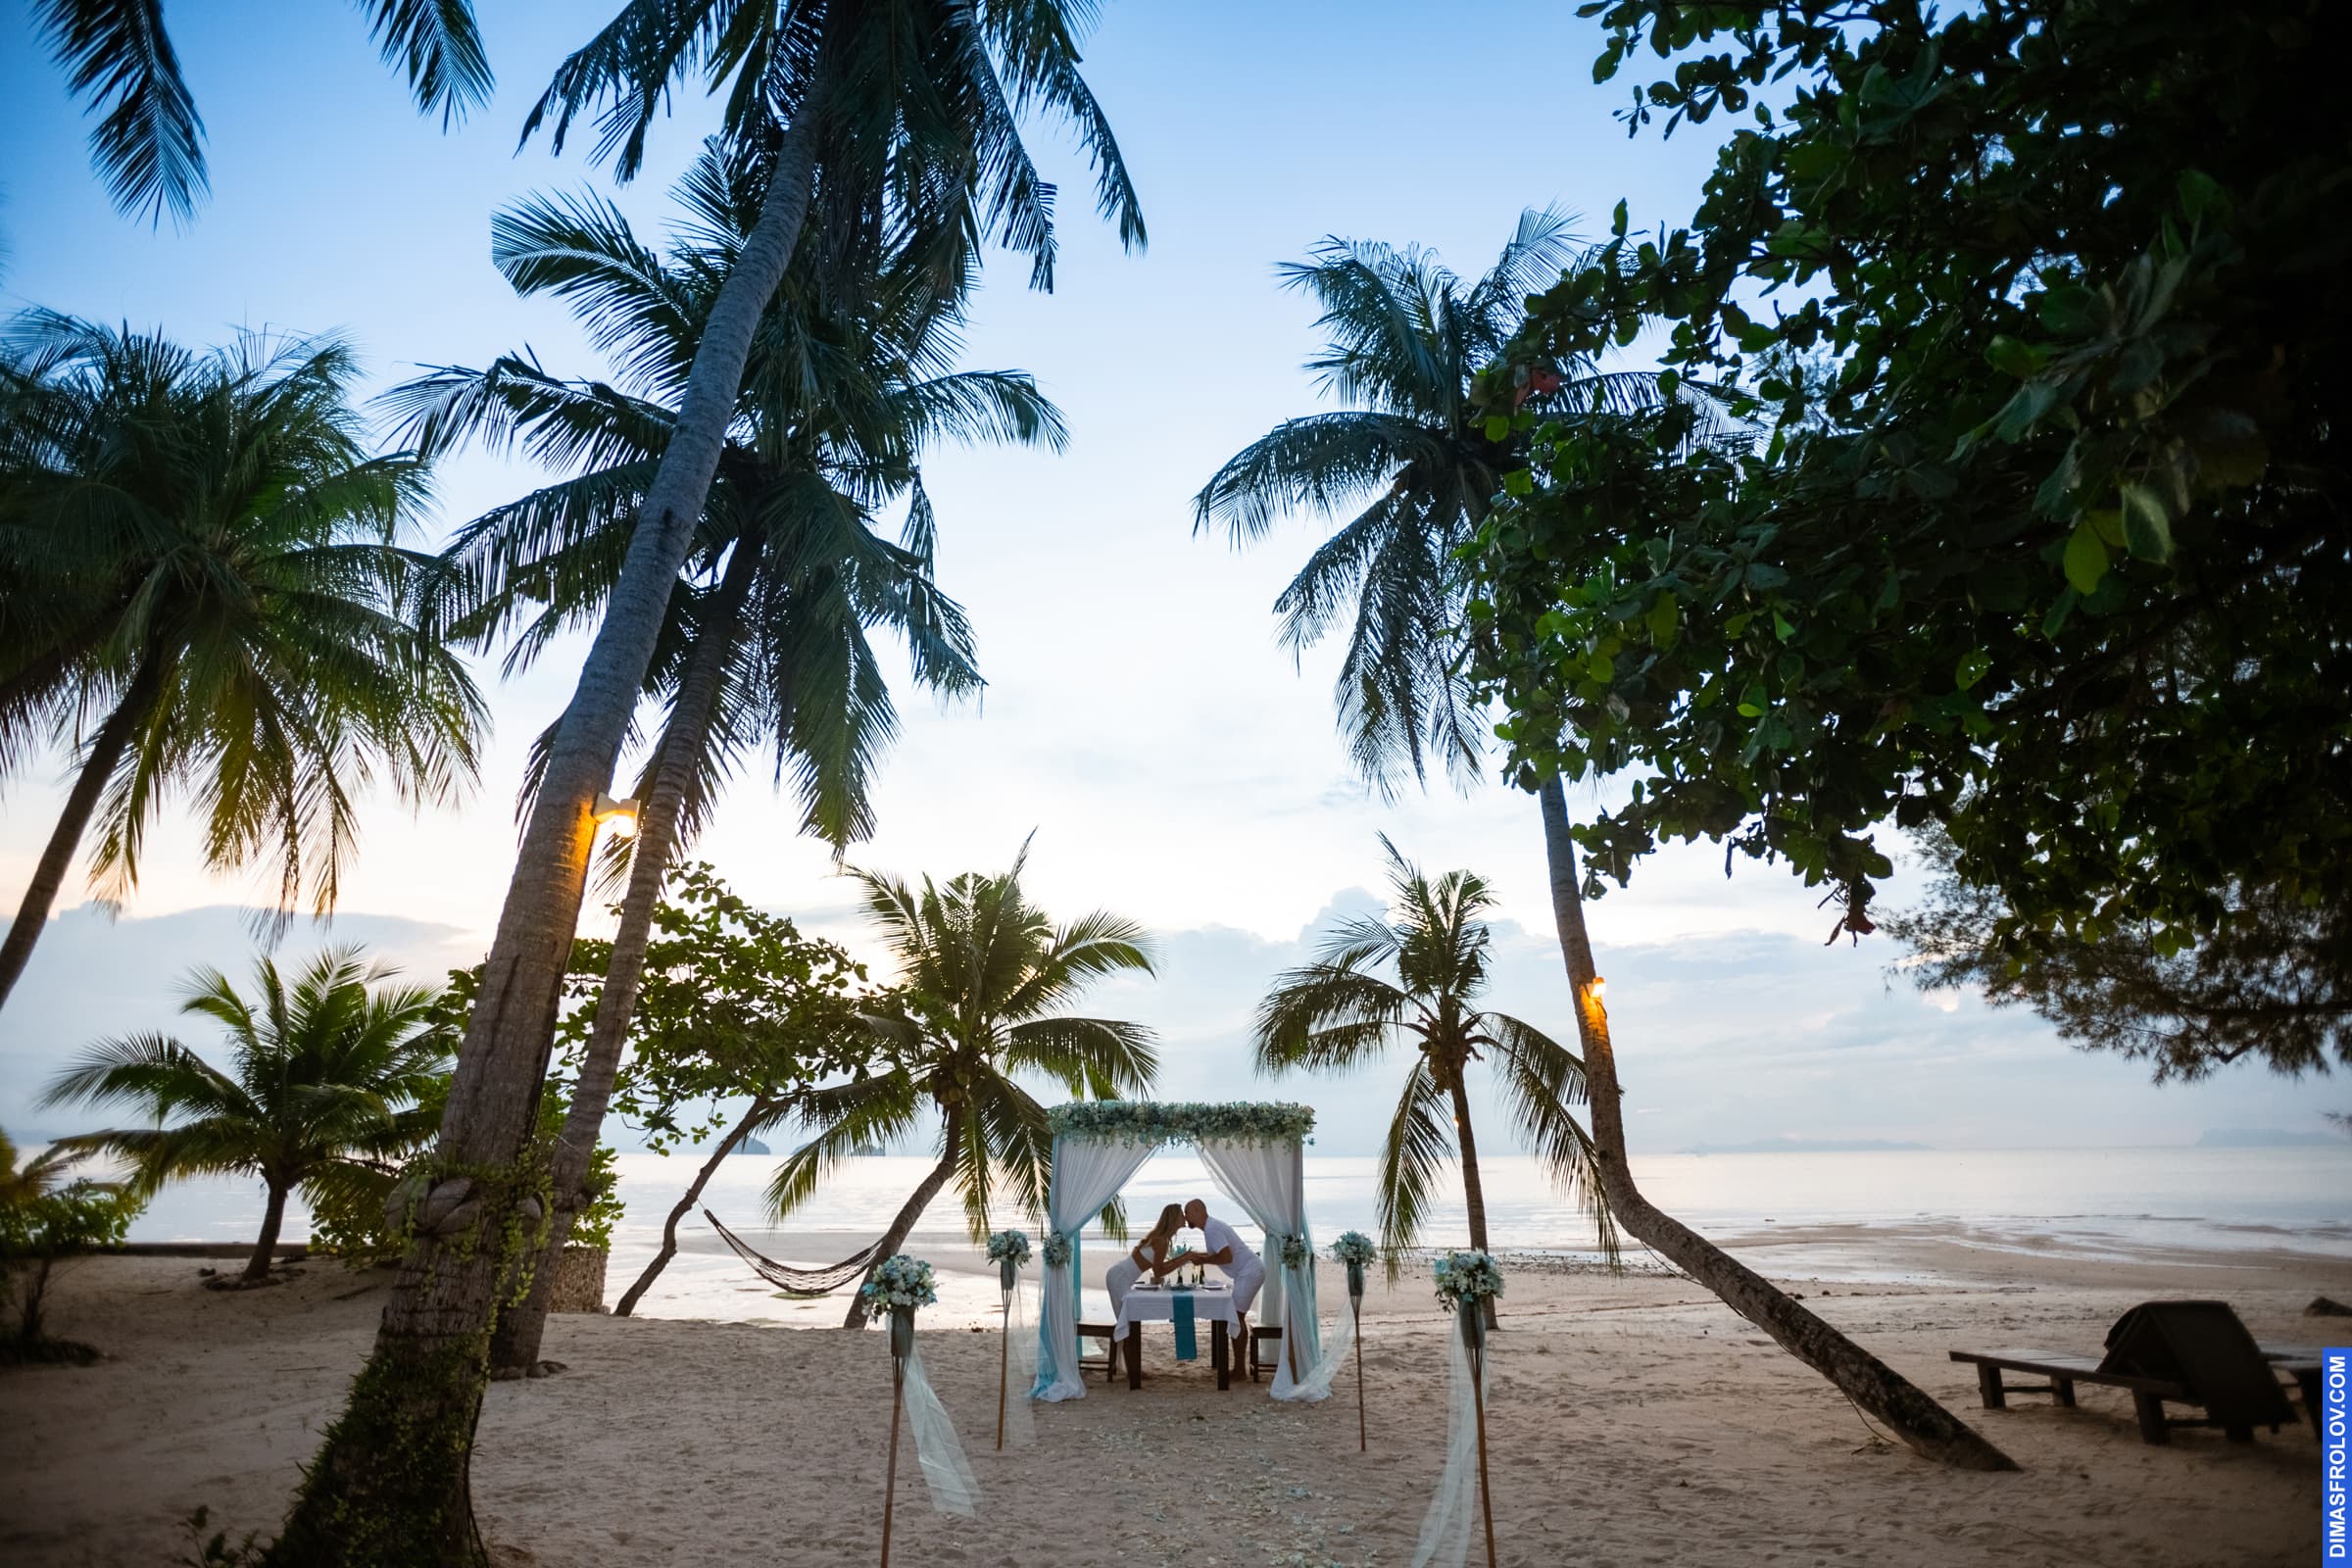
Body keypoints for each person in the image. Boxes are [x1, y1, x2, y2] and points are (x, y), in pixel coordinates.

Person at [1183, 1198, 1264, 1346]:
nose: (1185, 1217)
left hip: (1249, 1272)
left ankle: (1239, 1362)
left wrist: (1202, 1260)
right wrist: (1196, 1255)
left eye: (1186, 1212)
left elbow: (1226, 1257)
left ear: (1197, 1211)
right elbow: (1217, 1253)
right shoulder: (1211, 1226)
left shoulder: (1212, 1229)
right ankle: (1237, 1361)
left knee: (1235, 1319)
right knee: (1235, 1318)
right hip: (1247, 1271)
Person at [1103, 1202, 1188, 1319]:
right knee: (1125, 1320)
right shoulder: (1162, 1241)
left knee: (1127, 1320)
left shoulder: (1161, 1238)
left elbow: (1158, 1268)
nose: (1184, 1217)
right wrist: (1184, 1259)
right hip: (1120, 1276)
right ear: (1174, 1218)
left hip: (1120, 1273)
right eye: (1182, 1214)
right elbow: (1158, 1272)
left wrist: (1183, 1258)